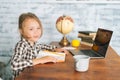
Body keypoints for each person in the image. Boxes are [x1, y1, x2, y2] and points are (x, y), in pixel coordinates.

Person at [11, 12, 68, 78]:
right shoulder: (21, 45)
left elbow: (41, 46)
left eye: (38, 28)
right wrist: (41, 60)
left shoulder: (34, 43)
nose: (36, 32)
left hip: (32, 75)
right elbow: (14, 64)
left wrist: (54, 48)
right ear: (21, 31)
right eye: (31, 29)